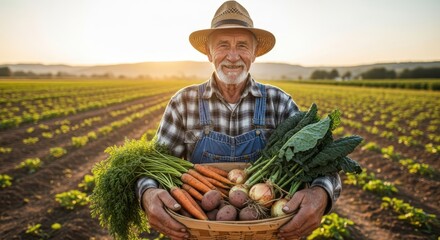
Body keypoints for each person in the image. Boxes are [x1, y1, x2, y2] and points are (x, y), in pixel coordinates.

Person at [136, 1, 341, 239]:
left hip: (265, 230)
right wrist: (147, 193)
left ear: (254, 53)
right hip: (201, 230)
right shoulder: (183, 102)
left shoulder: (279, 102)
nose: (233, 57)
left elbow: (322, 163)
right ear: (209, 53)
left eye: (242, 46)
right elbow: (151, 165)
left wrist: (321, 193)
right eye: (223, 45)